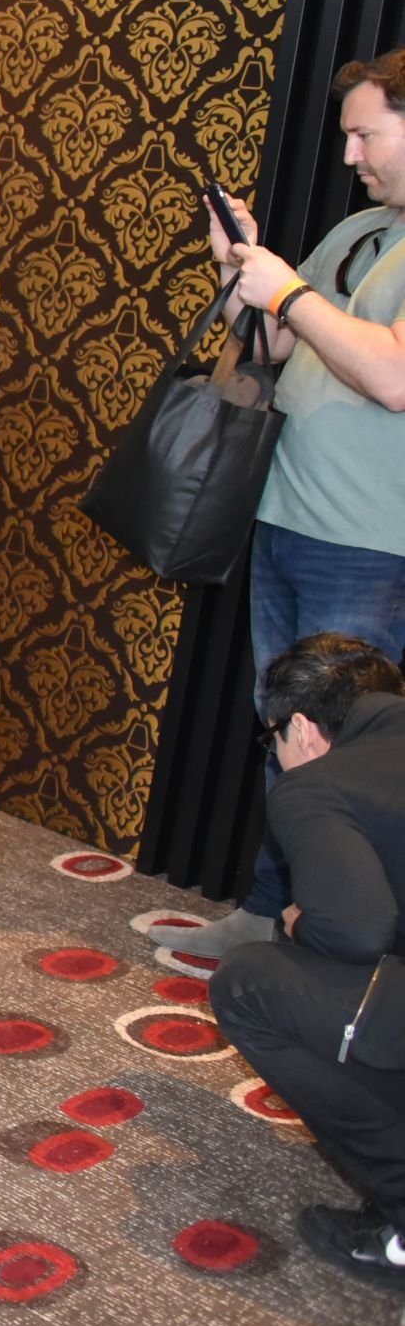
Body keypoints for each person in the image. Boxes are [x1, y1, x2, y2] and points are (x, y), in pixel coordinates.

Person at [152, 49, 405, 958]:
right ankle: (271, 912)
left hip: (369, 543)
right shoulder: (362, 230)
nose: (348, 155)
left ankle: (327, 936)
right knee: (286, 727)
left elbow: (392, 376)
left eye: (363, 134)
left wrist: (289, 289)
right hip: (286, 516)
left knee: (340, 741)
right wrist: (239, 273)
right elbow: (273, 343)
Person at [211, 634, 405, 1284]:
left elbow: (356, 931)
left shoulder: (314, 788)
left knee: (248, 984)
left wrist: (298, 921)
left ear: (300, 728)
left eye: (272, 739)